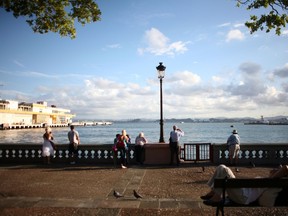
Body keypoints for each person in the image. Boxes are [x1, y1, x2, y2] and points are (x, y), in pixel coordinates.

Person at [201, 164, 288, 206]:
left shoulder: (269, 181)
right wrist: (278, 170)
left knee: (225, 170)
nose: (275, 168)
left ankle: (217, 196)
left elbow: (285, 168)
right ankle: (213, 192)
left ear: (277, 174)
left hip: (242, 196)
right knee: (221, 167)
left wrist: (280, 170)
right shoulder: (266, 180)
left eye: (276, 169)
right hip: (240, 192)